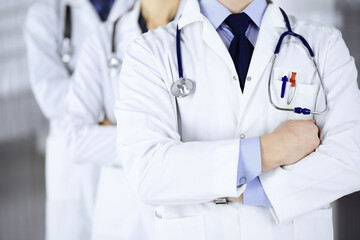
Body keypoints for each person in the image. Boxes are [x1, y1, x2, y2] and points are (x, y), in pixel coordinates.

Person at [114, 0, 360, 239]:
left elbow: (351, 159)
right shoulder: (149, 52)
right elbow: (149, 172)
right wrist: (270, 149)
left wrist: (247, 192)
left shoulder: (323, 44)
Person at [66, 0, 182, 239]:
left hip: (184, 209)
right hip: (121, 215)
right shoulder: (102, 40)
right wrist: (164, 145)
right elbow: (76, 139)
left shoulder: (205, 31)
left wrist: (125, 135)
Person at [24, 0, 133, 239]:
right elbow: (51, 95)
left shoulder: (137, 6)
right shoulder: (45, 15)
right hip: (75, 163)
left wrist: (92, 106)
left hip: (124, 156)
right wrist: (109, 112)